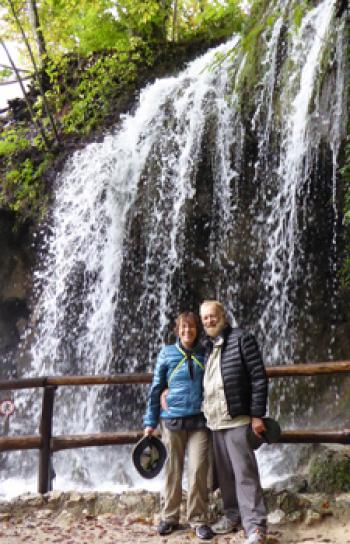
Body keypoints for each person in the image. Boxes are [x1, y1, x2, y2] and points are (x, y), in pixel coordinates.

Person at [199, 300, 268, 544]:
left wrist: (257, 414)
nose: (209, 321)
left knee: (245, 474)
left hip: (238, 419)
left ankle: (256, 528)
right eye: (205, 318)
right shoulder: (207, 347)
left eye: (212, 316)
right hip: (215, 422)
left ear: (223, 316)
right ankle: (232, 516)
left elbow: (258, 377)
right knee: (226, 476)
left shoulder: (241, 339)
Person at [143, 311, 214, 541]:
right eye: (183, 327)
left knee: (198, 471)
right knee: (172, 470)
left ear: (197, 330)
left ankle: (198, 519)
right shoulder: (167, 353)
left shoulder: (207, 352)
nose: (187, 331)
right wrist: (149, 423)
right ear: (177, 330)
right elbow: (156, 388)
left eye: (192, 327)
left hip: (200, 421)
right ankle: (169, 517)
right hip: (172, 420)